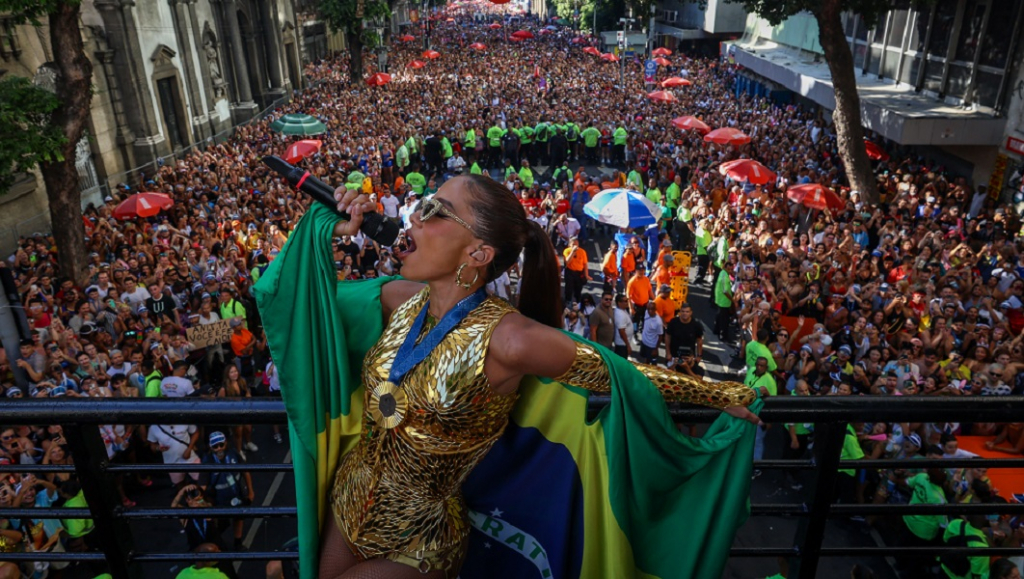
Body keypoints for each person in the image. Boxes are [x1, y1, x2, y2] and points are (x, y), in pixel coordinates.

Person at [257, 175, 762, 579]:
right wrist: (326, 226)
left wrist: (719, 392)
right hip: (350, 496)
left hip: (421, 540)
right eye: (423, 206)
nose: (413, 215)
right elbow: (297, 305)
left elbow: (617, 374)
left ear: (477, 253)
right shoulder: (398, 299)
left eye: (435, 212)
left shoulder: (510, 340)